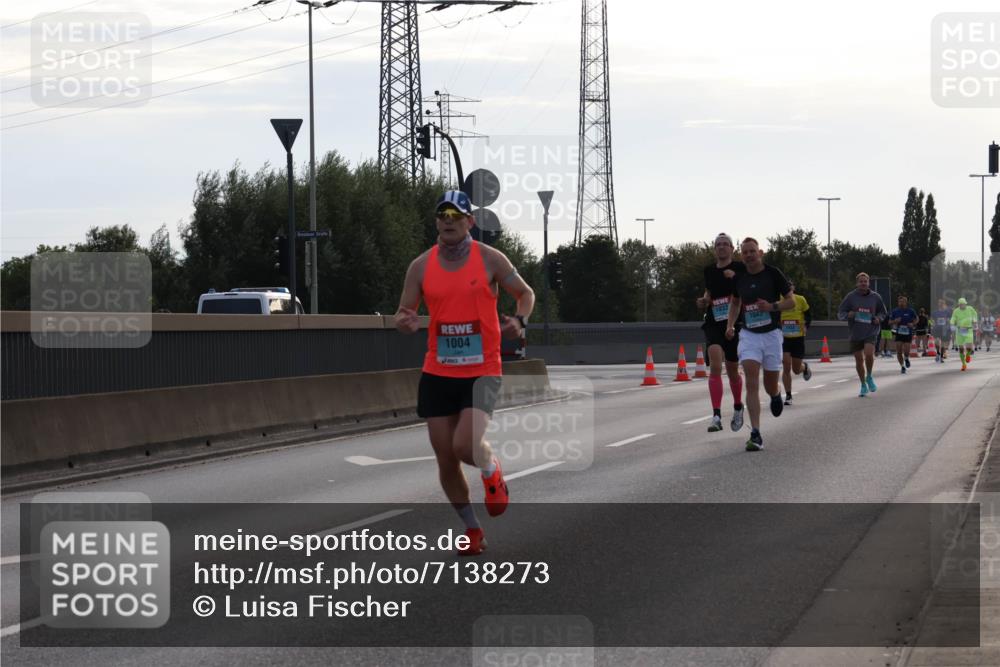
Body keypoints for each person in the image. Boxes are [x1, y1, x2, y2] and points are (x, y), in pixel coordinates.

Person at [395, 190, 535, 556]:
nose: (448, 220)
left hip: (483, 368)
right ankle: (472, 531)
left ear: (470, 221)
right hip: (438, 370)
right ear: (436, 221)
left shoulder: (489, 259)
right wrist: (405, 322)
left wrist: (520, 319)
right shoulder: (421, 266)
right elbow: (404, 312)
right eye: (442, 214)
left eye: (456, 215)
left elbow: (525, 293)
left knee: (466, 445)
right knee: (446, 456)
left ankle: (490, 467)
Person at [724, 238, 795, 452]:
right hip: (749, 335)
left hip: (772, 334)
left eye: (752, 251)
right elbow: (735, 303)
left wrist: (772, 306)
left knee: (769, 384)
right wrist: (730, 325)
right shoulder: (740, 278)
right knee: (752, 382)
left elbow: (790, 301)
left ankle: (775, 394)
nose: (749, 255)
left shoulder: (773, 273)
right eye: (745, 252)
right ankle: (755, 434)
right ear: (741, 255)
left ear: (760, 252)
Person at [695, 233, 745, 433]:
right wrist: (704, 300)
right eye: (718, 245)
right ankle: (716, 415)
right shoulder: (709, 270)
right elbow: (709, 292)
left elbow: (744, 292)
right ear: (714, 249)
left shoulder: (740, 268)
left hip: (735, 322)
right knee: (715, 365)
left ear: (732, 248)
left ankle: (738, 406)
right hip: (714, 322)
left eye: (725, 244)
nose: (722, 247)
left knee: (732, 369)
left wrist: (736, 279)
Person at [837, 272, 888, 397]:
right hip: (855, 332)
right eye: (861, 281)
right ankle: (863, 384)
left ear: (868, 283)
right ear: (857, 283)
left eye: (865, 281)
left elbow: (883, 312)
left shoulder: (876, 297)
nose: (863, 283)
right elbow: (841, 312)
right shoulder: (850, 297)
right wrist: (847, 315)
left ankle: (869, 376)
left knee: (869, 354)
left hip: (871, 330)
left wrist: (879, 319)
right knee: (859, 360)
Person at [780, 282, 812, 405]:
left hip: (798, 338)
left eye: (790, 286)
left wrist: (806, 326)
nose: (787, 288)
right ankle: (788, 395)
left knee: (796, 369)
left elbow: (808, 315)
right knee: (786, 366)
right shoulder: (778, 300)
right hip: (784, 338)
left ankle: (804, 367)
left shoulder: (800, 299)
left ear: (793, 288)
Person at [889, 295, 918, 374]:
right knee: (898, 351)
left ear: (906, 302)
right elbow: (889, 322)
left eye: (903, 302)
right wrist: (895, 321)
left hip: (908, 332)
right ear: (898, 302)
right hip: (899, 333)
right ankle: (902, 366)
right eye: (900, 302)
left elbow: (916, 319)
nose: (901, 303)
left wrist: (912, 324)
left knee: (907, 351)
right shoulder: (895, 311)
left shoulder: (910, 311)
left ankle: (906, 358)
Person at [950, 297, 978, 371]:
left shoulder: (970, 309)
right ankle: (963, 364)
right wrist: (952, 324)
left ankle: (968, 355)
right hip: (959, 331)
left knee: (969, 346)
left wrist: (974, 321)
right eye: (960, 305)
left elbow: (975, 314)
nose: (962, 306)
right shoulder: (956, 311)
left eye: (963, 304)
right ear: (959, 305)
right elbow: (953, 318)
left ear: (966, 304)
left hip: (968, 330)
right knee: (961, 349)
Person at [930, 298, 951, 363]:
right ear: (938, 304)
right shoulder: (935, 312)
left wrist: (948, 322)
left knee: (943, 344)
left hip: (944, 329)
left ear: (944, 304)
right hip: (937, 329)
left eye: (942, 303)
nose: (941, 304)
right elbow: (930, 320)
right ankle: (938, 353)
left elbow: (951, 319)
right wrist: (932, 324)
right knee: (937, 342)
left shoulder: (947, 312)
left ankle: (941, 357)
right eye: (940, 302)